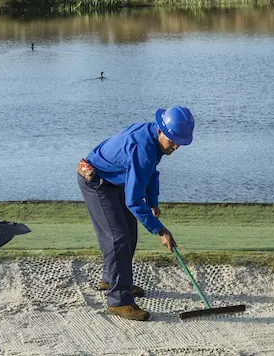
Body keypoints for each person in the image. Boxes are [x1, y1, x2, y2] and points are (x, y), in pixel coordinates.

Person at [76, 106, 194, 321]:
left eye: (180, 142)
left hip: (116, 180)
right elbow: (133, 200)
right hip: (97, 181)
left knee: (129, 234)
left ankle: (112, 280)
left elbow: (150, 174)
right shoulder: (144, 148)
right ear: (161, 131)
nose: (176, 146)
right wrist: (160, 230)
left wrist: (153, 202)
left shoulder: (153, 138)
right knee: (118, 238)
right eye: (173, 140)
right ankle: (119, 300)